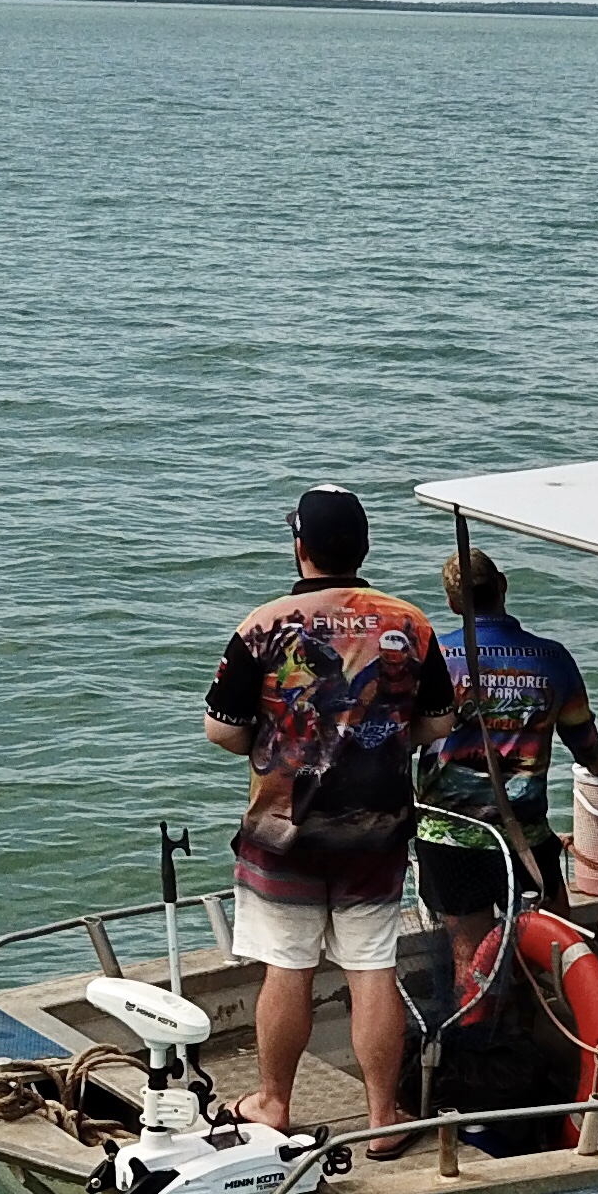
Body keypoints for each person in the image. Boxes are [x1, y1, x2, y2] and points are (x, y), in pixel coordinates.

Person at [203, 485, 455, 1143]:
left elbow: (221, 730)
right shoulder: (412, 623)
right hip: (375, 834)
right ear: (364, 546)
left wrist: (275, 736)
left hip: (283, 834)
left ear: (300, 547)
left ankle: (273, 1106)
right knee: (372, 967)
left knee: (287, 967)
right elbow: (438, 723)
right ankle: (381, 1120)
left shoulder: (260, 626)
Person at [418, 548, 598, 950]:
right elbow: (584, 743)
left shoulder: (435, 657)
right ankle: (544, 1010)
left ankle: (480, 1013)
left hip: (449, 835)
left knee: (468, 962)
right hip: (524, 834)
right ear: (503, 585)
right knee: (559, 949)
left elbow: (403, 737)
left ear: (453, 604)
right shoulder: (552, 659)